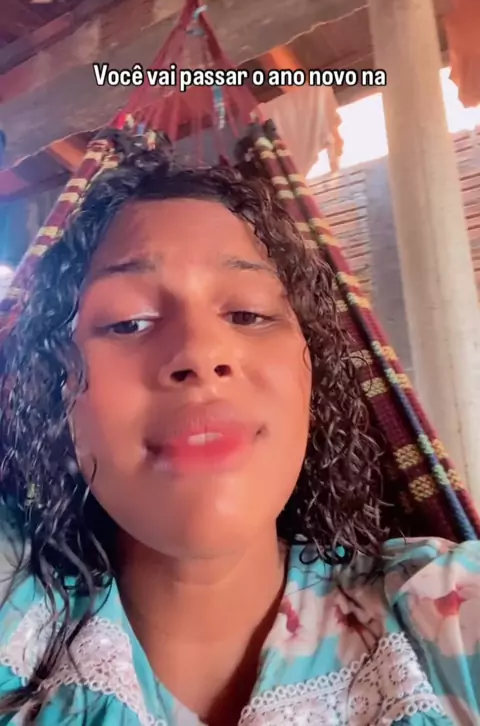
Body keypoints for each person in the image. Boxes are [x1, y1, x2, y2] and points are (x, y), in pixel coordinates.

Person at [0, 137, 479, 726]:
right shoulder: (14, 608)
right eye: (129, 322)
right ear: (58, 394)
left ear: (309, 376)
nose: (201, 353)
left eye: (248, 314)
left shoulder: (448, 610)